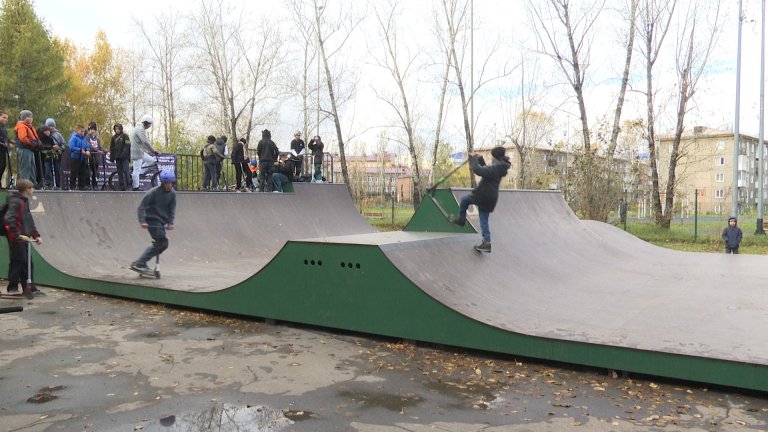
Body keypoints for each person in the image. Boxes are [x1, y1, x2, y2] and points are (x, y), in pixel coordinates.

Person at [449, 146, 511, 253]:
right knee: (483, 219)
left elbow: (479, 170)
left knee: (464, 200)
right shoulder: (499, 166)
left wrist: (473, 159)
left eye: (492, 157)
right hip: (491, 197)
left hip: (483, 194)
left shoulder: (496, 167)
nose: (491, 159)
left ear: (495, 157)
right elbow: (487, 170)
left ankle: (461, 220)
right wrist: (480, 158)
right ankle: (487, 242)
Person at [130, 170, 176, 274]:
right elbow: (141, 207)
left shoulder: (172, 194)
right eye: (167, 183)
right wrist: (142, 221)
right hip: (152, 220)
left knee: (162, 244)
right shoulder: (153, 192)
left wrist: (170, 222)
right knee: (162, 242)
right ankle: (140, 263)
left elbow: (172, 209)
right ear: (162, 183)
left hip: (162, 222)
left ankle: (140, 263)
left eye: (171, 183)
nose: (169, 186)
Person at [3, 179, 43, 299]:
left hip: (24, 237)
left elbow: (28, 220)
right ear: (27, 189)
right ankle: (13, 287)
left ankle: (29, 286)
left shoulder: (23, 201)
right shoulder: (16, 201)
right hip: (17, 238)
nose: (33, 190)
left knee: (27, 262)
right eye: (31, 188)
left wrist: (36, 235)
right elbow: (8, 219)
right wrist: (17, 235)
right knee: (18, 261)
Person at [130, 115, 159, 191]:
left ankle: (141, 174)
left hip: (140, 151)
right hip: (137, 152)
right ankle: (135, 187)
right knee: (136, 169)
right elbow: (145, 141)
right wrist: (153, 150)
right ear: (147, 123)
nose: (150, 126)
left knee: (151, 160)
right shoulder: (140, 129)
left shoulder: (138, 128)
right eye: (150, 124)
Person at [14, 110, 39, 184]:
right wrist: (32, 143)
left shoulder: (29, 127)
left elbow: (34, 137)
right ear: (24, 117)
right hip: (24, 148)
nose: (31, 119)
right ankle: (24, 184)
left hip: (29, 149)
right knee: (26, 167)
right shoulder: (22, 126)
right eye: (29, 117)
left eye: (31, 117)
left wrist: (37, 143)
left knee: (32, 167)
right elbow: (23, 138)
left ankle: (31, 184)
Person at [45, 118, 66, 189]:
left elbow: (64, 145)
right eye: (49, 126)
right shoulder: (44, 134)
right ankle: (48, 184)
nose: (51, 127)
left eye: (52, 126)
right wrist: (49, 148)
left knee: (57, 170)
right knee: (47, 169)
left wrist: (59, 148)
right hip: (47, 155)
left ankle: (58, 184)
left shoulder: (58, 135)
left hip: (57, 155)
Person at [109, 123, 131, 191]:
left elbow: (127, 146)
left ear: (121, 129)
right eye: (115, 129)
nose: (117, 130)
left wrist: (123, 155)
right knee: (120, 173)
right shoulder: (113, 138)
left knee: (126, 171)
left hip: (125, 158)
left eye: (118, 129)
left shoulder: (125, 136)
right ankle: (122, 187)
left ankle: (129, 185)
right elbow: (112, 148)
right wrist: (112, 157)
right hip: (118, 158)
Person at [67, 125, 90, 190]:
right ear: (77, 131)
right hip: (75, 157)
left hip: (82, 158)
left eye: (83, 131)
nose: (82, 133)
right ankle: (72, 186)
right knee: (74, 172)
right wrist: (79, 150)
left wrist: (88, 150)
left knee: (82, 172)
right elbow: (71, 147)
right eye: (81, 131)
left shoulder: (84, 139)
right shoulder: (74, 138)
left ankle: (81, 186)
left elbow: (87, 146)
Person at [85, 122, 104, 189]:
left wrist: (102, 150)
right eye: (90, 129)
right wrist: (96, 150)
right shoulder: (87, 137)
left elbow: (99, 147)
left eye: (92, 129)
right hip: (90, 157)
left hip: (96, 158)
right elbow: (88, 145)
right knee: (88, 171)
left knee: (96, 172)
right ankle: (88, 185)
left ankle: (95, 184)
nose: (91, 131)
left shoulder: (97, 139)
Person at [0, 111, 11, 189]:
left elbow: (5, 138)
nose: (5, 119)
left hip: (3, 149)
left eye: (7, 118)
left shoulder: (3, 128)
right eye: (4, 117)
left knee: (3, 166)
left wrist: (8, 142)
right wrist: (3, 142)